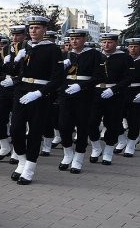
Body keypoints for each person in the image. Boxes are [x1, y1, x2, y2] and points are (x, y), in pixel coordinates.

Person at [9, 16, 65, 184]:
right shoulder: (23, 47)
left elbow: (58, 78)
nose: (33, 31)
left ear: (44, 30)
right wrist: (16, 60)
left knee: (34, 132)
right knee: (15, 129)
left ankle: (30, 167)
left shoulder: (53, 49)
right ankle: (22, 160)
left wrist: (40, 93)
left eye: (37, 28)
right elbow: (12, 71)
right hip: (21, 91)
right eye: (31, 28)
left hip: (40, 94)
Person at [56, 29, 104, 173]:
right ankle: (67, 153)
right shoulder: (65, 55)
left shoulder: (94, 54)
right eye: (71, 39)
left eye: (77, 38)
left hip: (85, 94)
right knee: (63, 125)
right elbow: (55, 76)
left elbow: (99, 76)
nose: (74, 41)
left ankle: (78, 157)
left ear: (84, 39)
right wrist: (61, 68)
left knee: (82, 126)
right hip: (67, 94)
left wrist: (81, 86)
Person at [88, 32, 133, 165]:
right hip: (96, 92)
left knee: (112, 123)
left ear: (116, 43)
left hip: (114, 94)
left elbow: (128, 78)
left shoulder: (124, 57)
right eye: (104, 42)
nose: (106, 45)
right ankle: (96, 148)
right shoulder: (96, 56)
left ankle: (108, 151)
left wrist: (114, 89)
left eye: (110, 42)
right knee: (91, 122)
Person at [0, 25, 27, 162]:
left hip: (21, 86)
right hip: (6, 85)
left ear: (24, 36)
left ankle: (17, 151)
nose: (15, 38)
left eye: (18, 35)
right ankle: (5, 146)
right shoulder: (6, 49)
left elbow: (30, 71)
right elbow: (0, 70)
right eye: (13, 35)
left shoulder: (28, 48)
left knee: (18, 122)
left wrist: (16, 79)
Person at [123, 37, 140, 157]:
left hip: (136, 91)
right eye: (131, 46)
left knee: (134, 120)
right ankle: (122, 140)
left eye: (136, 46)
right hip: (122, 91)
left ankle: (131, 144)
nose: (133, 49)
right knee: (116, 117)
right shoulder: (123, 59)